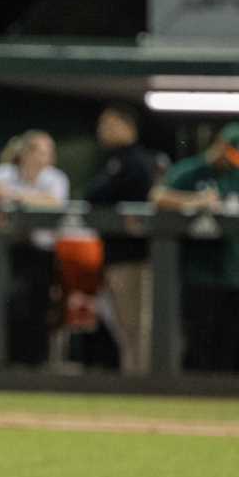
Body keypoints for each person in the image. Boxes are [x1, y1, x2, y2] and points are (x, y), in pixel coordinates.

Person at [151, 122, 239, 372]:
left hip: (233, 270)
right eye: (231, 154)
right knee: (198, 339)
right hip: (197, 269)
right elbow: (157, 196)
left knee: (227, 339)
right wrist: (196, 200)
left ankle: (222, 396)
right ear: (220, 146)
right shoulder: (190, 171)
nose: (233, 161)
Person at [0, 129, 70, 365]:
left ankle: (37, 365)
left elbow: (55, 203)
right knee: (10, 305)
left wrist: (15, 195)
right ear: (26, 153)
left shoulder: (55, 177)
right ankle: (8, 364)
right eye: (42, 151)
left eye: (49, 152)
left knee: (39, 309)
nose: (47, 157)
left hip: (43, 253)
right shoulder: (5, 172)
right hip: (8, 251)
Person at [84, 104, 156, 374]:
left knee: (137, 324)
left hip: (135, 255)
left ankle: (142, 380)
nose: (103, 130)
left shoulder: (135, 161)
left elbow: (95, 194)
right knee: (126, 324)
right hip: (118, 254)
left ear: (127, 127)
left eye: (109, 124)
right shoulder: (116, 159)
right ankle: (133, 377)